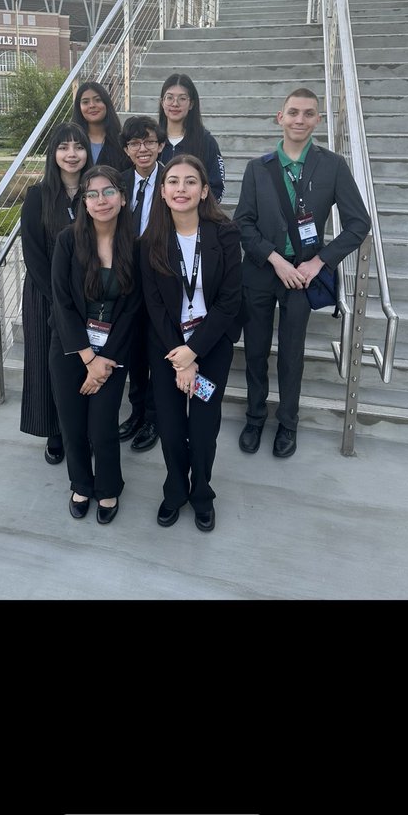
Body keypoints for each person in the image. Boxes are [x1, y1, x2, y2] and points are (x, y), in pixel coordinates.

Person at [234, 87, 371, 459]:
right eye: (292, 112)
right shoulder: (257, 168)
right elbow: (243, 224)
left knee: (292, 353)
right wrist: (276, 260)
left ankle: (288, 423)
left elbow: (359, 224)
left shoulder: (333, 166)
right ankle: (255, 416)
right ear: (279, 117)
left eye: (308, 113)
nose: (299, 119)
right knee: (257, 350)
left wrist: (319, 262)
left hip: (304, 276)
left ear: (318, 120)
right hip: (263, 272)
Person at [140, 154, 243, 532]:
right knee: (169, 427)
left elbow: (230, 300)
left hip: (210, 345)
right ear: (163, 192)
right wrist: (180, 359)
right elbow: (153, 304)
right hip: (166, 346)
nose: (181, 189)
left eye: (190, 182)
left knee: (202, 429)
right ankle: (174, 490)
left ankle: (201, 493)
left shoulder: (225, 234)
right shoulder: (150, 240)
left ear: (203, 191)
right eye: (173, 182)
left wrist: (194, 352)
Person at [49, 165, 142, 524]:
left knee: (102, 426)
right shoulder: (67, 241)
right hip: (71, 348)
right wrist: (88, 358)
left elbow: (132, 308)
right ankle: (80, 484)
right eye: (92, 194)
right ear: (83, 202)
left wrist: (104, 360)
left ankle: (109, 486)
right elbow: (62, 302)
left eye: (108, 192)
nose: (101, 200)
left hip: (113, 351)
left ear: (122, 196)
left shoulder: (136, 245)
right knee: (73, 425)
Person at [19, 121, 92, 465]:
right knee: (49, 367)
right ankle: (55, 432)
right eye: (63, 147)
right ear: (53, 153)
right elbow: (33, 254)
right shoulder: (38, 196)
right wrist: (58, 301)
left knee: (83, 365)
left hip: (89, 298)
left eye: (78, 146)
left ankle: (82, 429)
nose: (71, 154)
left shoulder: (96, 192)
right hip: (44, 297)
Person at [118, 115, 166, 453]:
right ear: (126, 149)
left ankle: (154, 417)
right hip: (127, 282)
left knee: (158, 351)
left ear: (161, 145)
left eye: (149, 141)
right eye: (135, 143)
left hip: (163, 282)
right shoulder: (118, 183)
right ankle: (136, 412)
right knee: (133, 352)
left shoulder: (174, 180)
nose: (143, 148)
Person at [157, 72, 225, 202]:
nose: (175, 104)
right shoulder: (152, 141)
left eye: (182, 98)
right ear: (162, 102)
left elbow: (217, 188)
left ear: (191, 104)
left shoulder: (206, 141)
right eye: (169, 98)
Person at [73, 78, 129, 172]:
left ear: (106, 104)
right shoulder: (72, 141)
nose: (92, 105)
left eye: (98, 100)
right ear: (79, 108)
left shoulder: (121, 141)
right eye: (85, 102)